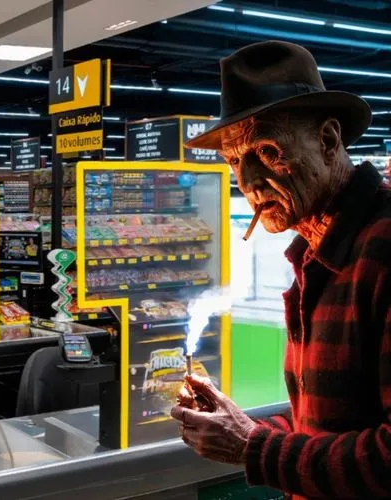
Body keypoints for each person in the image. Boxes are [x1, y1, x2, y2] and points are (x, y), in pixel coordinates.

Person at [171, 40, 391, 499]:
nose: (248, 183)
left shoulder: (382, 250)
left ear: (328, 141)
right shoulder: (318, 253)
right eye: (235, 161)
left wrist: (253, 447)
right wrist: (241, 427)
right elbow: (331, 421)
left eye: (267, 151)